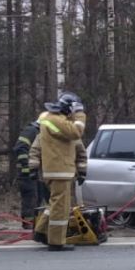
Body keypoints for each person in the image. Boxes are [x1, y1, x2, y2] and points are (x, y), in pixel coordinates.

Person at [30, 91, 87, 251]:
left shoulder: (57, 121)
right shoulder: (55, 120)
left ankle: (41, 232)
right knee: (60, 208)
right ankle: (56, 242)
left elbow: (78, 148)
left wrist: (82, 171)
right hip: (59, 170)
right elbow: (76, 132)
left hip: (59, 170)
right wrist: (80, 114)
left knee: (55, 204)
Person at [13, 119, 46, 224]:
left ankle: (35, 221)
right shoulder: (31, 131)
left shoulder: (39, 132)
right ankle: (28, 222)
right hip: (26, 172)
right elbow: (20, 147)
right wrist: (26, 163)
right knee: (30, 196)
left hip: (36, 172)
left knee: (39, 196)